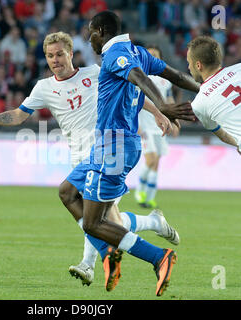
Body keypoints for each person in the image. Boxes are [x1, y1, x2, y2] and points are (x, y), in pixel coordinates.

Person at [0, 31, 182, 292]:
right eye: (50, 56)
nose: (55, 60)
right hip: (82, 160)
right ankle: (151, 225)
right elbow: (19, 115)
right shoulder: (44, 88)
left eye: (60, 54)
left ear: (71, 54)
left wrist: (158, 112)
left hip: (109, 152)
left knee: (95, 218)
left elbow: (132, 93)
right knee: (105, 220)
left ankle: (94, 262)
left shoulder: (94, 73)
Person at [60, 11, 200, 296]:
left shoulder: (115, 55)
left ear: (101, 31)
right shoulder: (137, 51)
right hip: (108, 146)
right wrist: (204, 89)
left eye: (91, 32)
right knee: (67, 192)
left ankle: (158, 257)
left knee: (95, 222)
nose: (90, 39)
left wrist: (164, 106)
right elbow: (174, 74)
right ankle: (110, 250)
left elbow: (137, 77)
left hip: (115, 146)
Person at [134, 45, 180, 209]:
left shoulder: (165, 81)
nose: (152, 57)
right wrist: (136, 125)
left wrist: (175, 121)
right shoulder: (139, 77)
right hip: (145, 125)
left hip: (159, 127)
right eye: (150, 55)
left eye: (155, 55)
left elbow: (169, 102)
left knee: (156, 162)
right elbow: (134, 102)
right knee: (151, 159)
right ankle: (139, 191)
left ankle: (150, 197)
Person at [187, 35, 241, 155]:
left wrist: (239, 144)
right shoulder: (239, 68)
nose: (188, 67)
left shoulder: (199, 104)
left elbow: (222, 134)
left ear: (198, 65)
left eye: (189, 62)